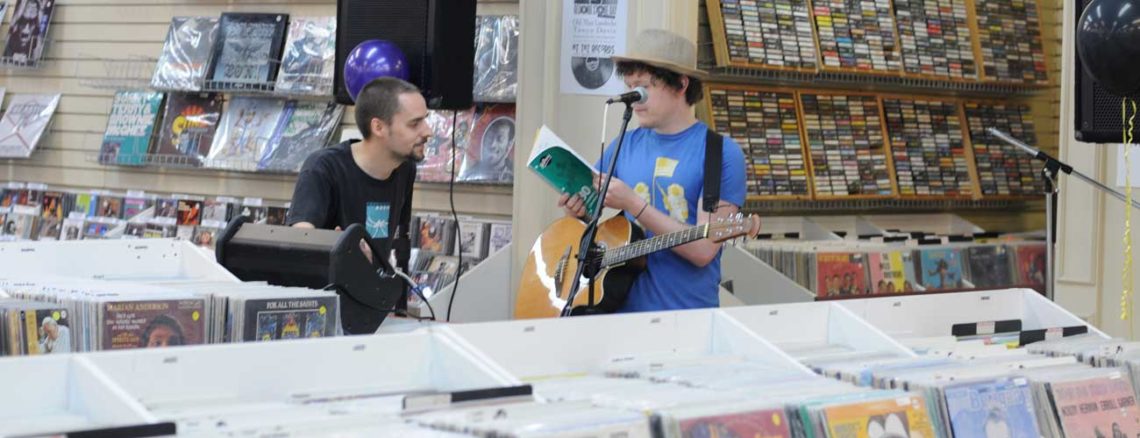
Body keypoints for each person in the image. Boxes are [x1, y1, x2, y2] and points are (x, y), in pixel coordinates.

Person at [558, 29, 747, 312]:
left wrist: (634, 203)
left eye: (643, 88)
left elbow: (704, 250)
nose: (634, 98)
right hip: (615, 312)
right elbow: (594, 213)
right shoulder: (625, 143)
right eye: (630, 87)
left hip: (685, 317)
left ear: (681, 85)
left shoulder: (720, 154)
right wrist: (579, 212)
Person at [287, 77, 431, 262]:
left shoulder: (405, 168)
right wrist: (331, 246)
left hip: (371, 288)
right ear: (378, 127)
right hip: (326, 289)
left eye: (425, 121)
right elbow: (300, 236)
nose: (428, 131)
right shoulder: (323, 167)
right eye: (414, 124)